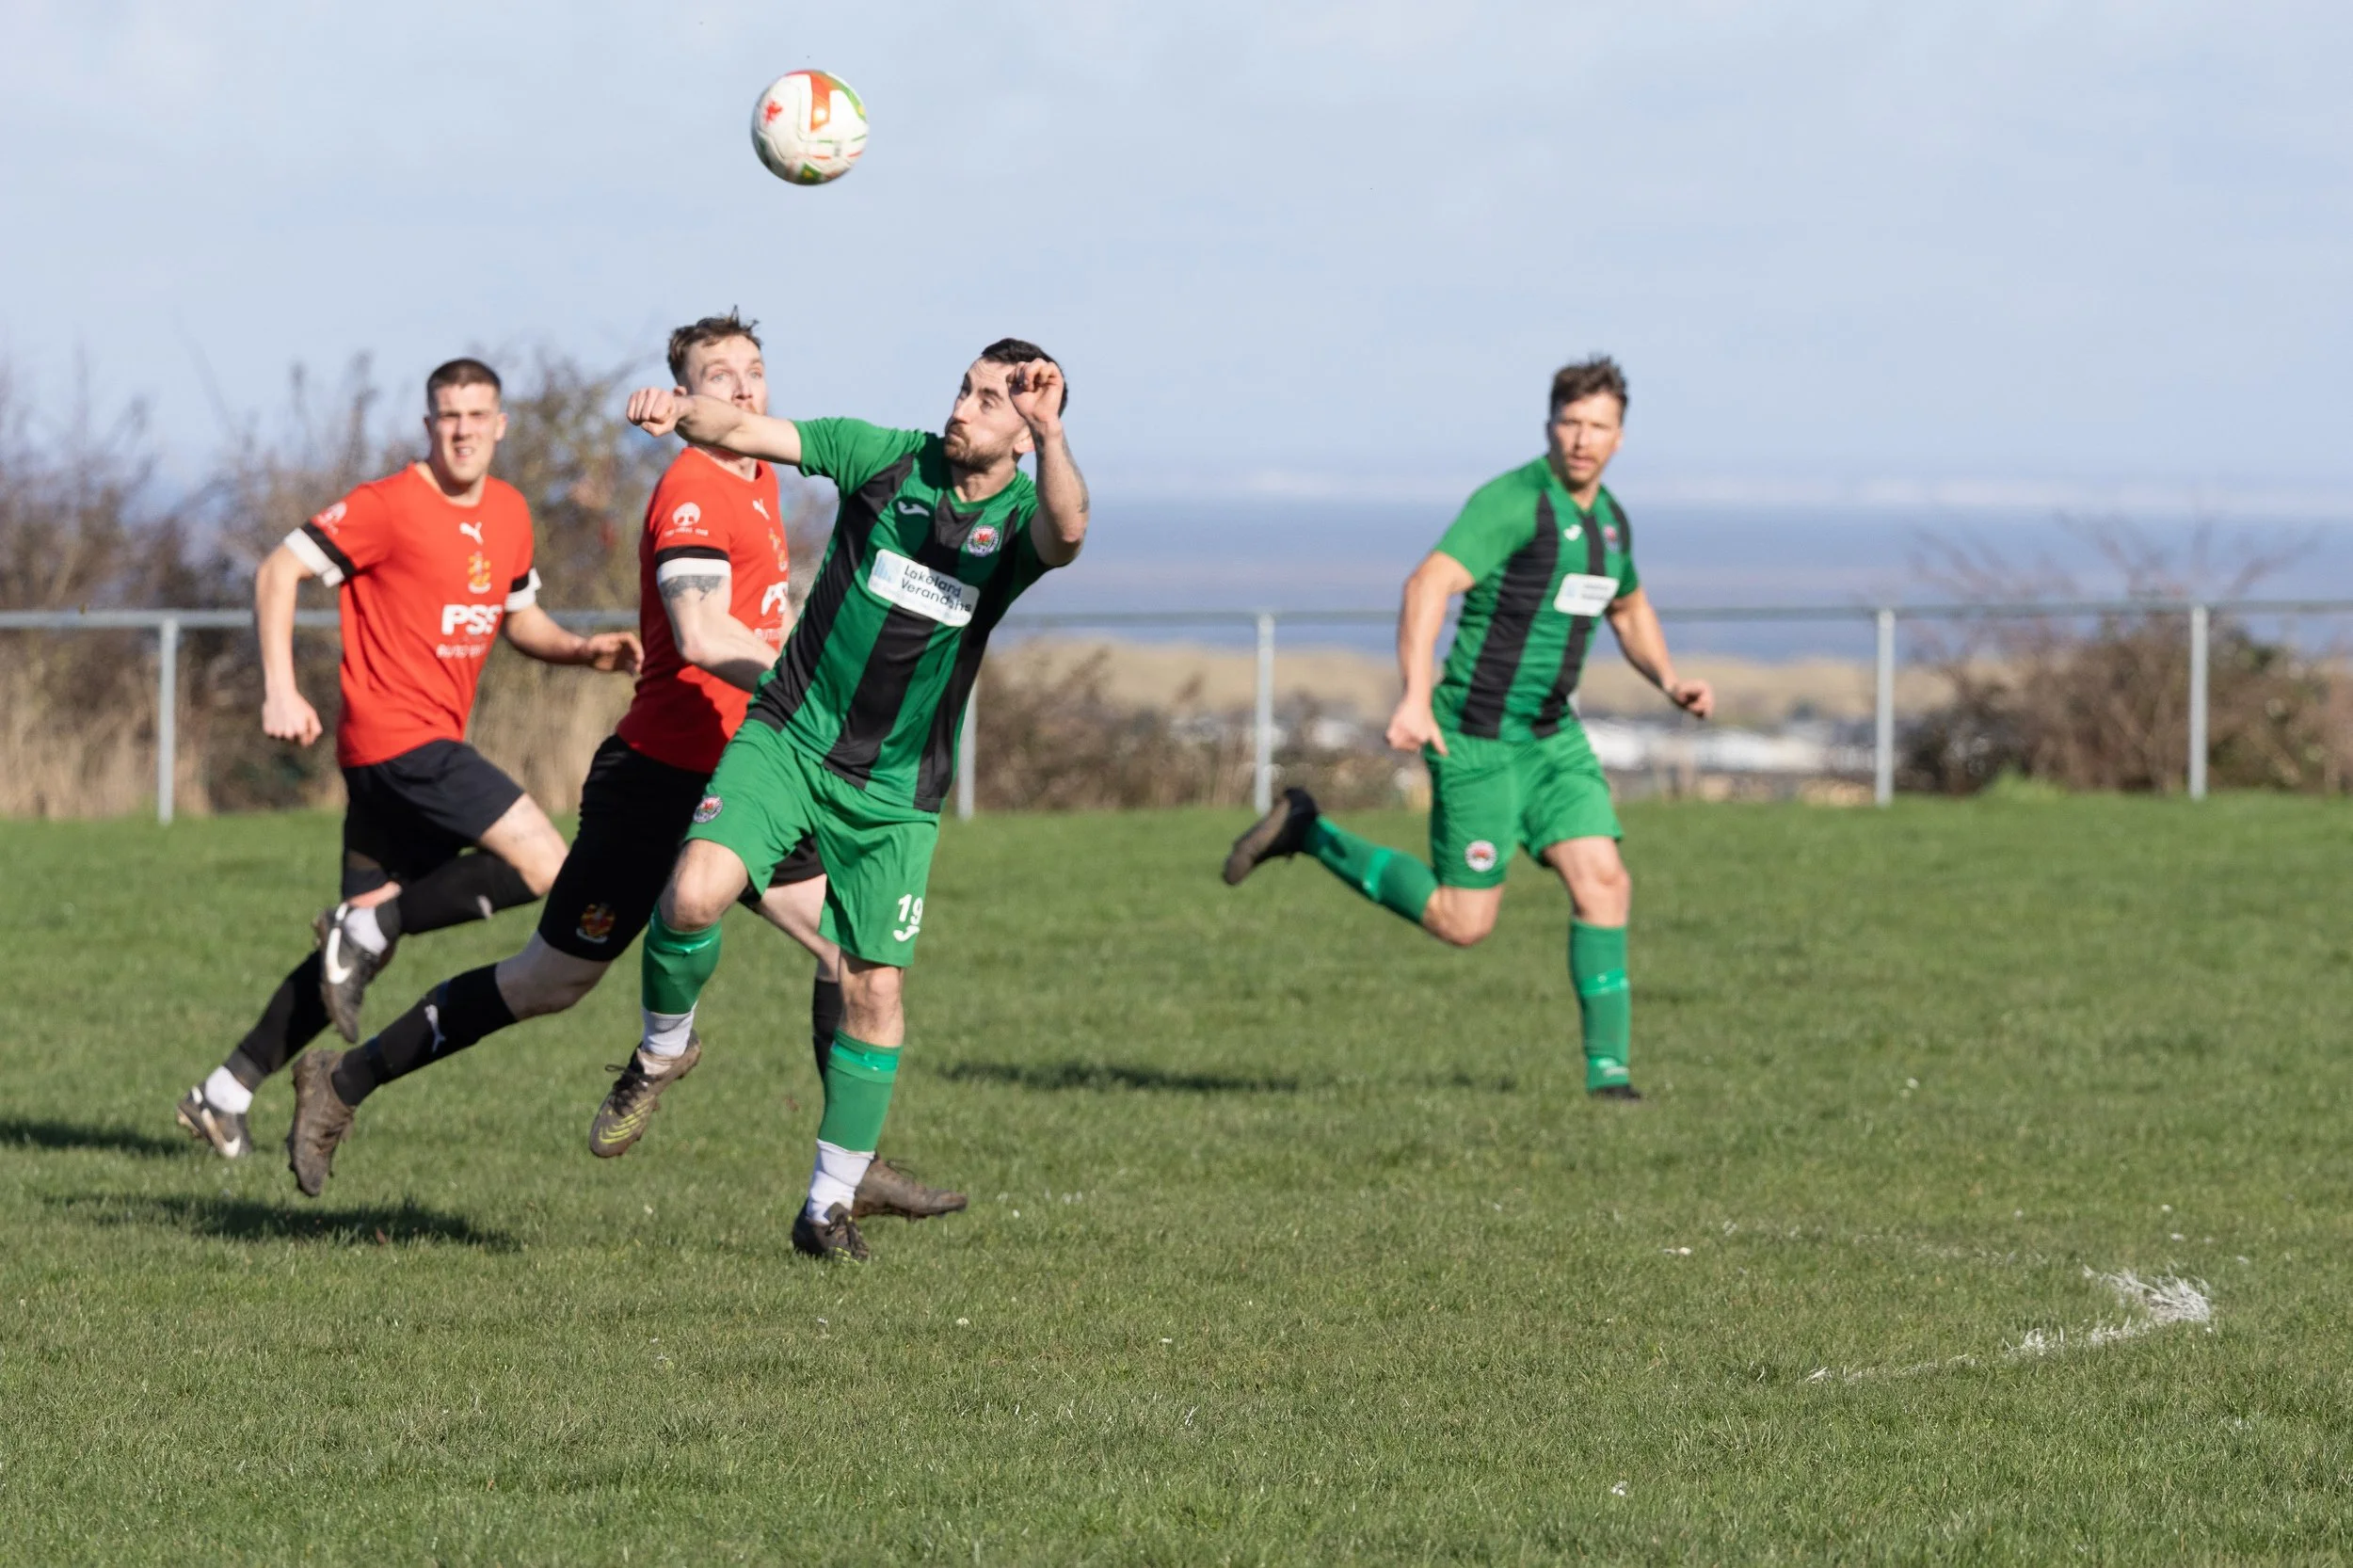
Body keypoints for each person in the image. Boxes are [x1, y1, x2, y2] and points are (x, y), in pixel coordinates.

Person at [278, 314, 963, 1228]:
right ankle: (343, 1079)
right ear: (688, 395)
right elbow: (700, 634)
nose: (746, 389)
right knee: (548, 982)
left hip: (756, 770)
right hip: (660, 778)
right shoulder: (690, 488)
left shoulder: (760, 471)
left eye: (755, 371)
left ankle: (849, 1170)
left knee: (850, 958)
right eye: (720, 377)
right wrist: (815, 697)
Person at [611, 337, 1088, 1262]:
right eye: (964, 388)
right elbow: (751, 427)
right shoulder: (883, 457)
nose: (964, 409)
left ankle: (825, 1205)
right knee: (693, 894)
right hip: (788, 735)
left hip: (897, 795)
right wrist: (681, 413)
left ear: (1025, 430)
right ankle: (663, 1048)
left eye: (992, 402)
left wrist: (1053, 434)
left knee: (873, 988)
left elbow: (1069, 533)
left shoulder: (1026, 515)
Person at [172, 358, 640, 1160]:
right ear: (429, 426)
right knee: (543, 865)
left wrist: (583, 649)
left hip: (418, 750)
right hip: (398, 739)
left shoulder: (508, 513)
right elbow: (278, 570)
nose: (461, 429)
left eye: (476, 415)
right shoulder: (388, 506)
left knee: (350, 963)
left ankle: (226, 1091)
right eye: (446, 416)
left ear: (500, 425)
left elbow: (518, 622)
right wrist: (280, 691)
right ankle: (368, 921)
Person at [1222, 356, 1711, 1100]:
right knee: (1462, 922)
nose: (1582, 439)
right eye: (1570, 422)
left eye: (1598, 426)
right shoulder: (1514, 502)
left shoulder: (1610, 521)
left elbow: (1628, 608)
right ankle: (1310, 831)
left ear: (1620, 436)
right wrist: (1416, 697)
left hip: (1552, 739)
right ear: (1550, 425)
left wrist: (1671, 679)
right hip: (1476, 736)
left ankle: (1609, 1076)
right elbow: (1428, 584)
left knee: (1605, 882)